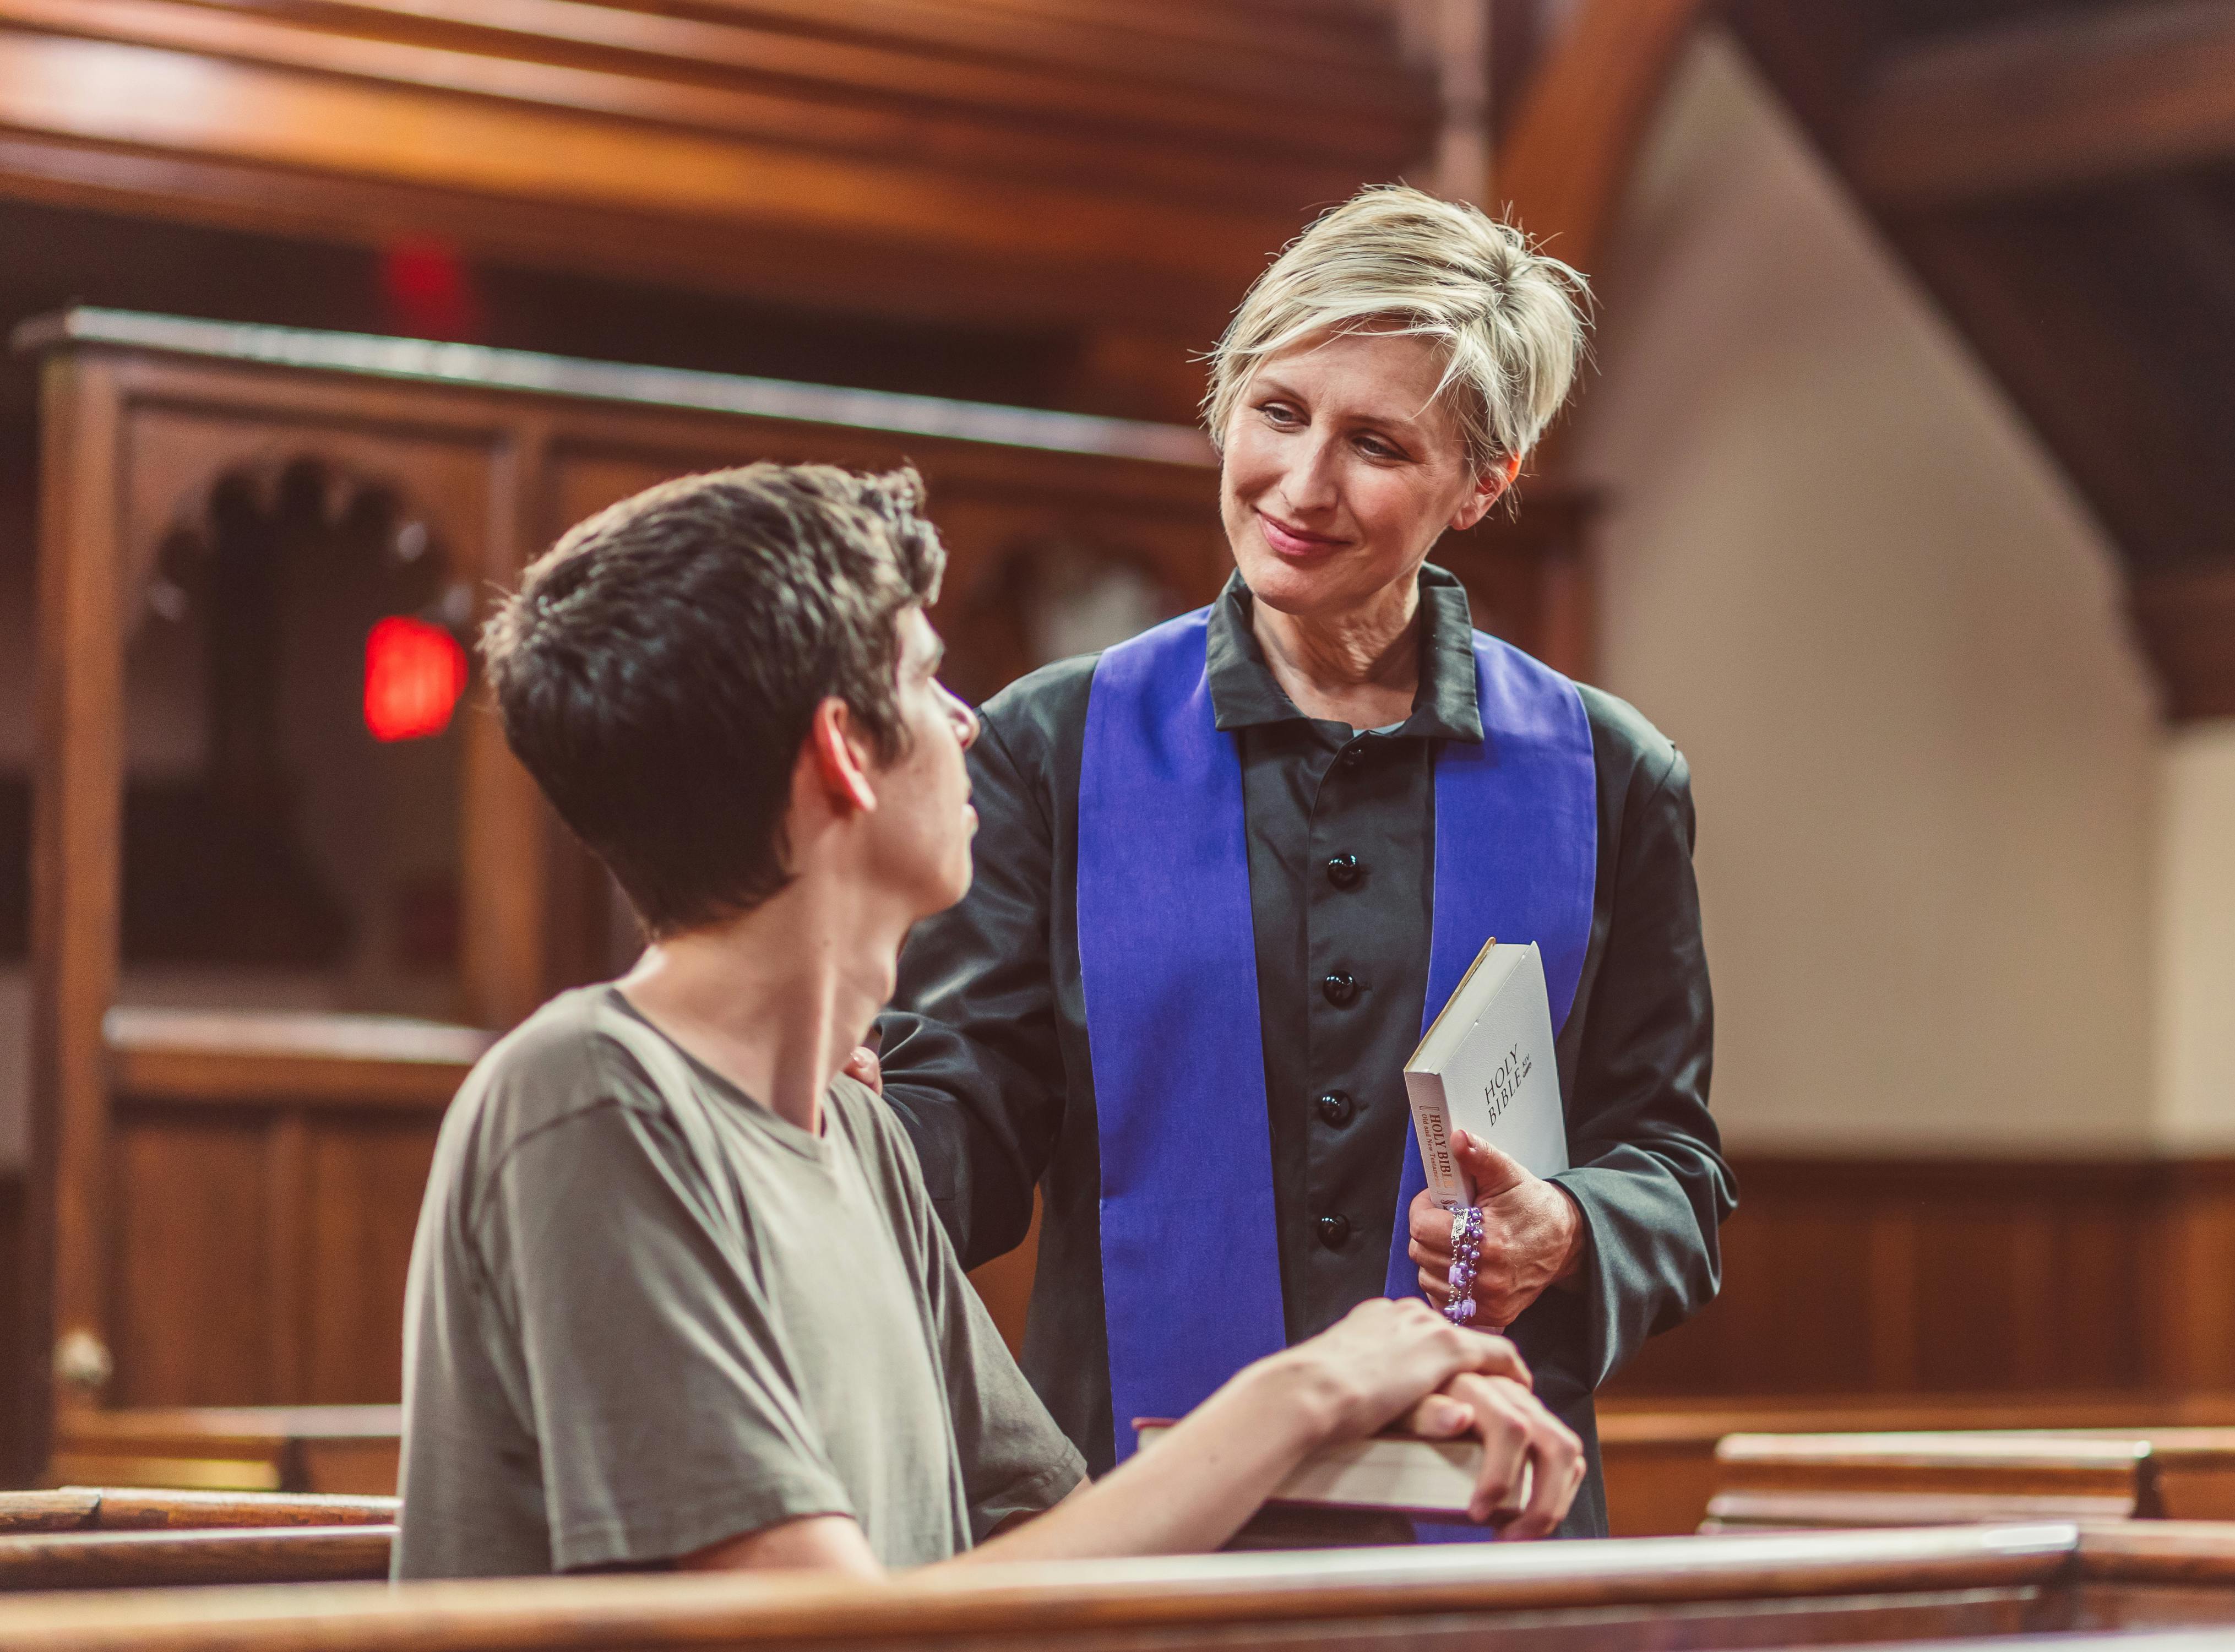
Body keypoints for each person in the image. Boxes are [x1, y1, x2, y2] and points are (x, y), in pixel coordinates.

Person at [393, 463, 1582, 1580]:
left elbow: (1056, 1540)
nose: (968, 724)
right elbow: (824, 1644)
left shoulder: (852, 1135)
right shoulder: (589, 1104)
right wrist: (1307, 1392)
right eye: (923, 679)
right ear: (845, 754)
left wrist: (1366, 1412)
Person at [875, 184, 1735, 1537]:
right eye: (1278, 412)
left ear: (1483, 481)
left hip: (1487, 1516)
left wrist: (1566, 1229)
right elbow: (972, 1113)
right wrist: (828, 1120)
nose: (1303, 485)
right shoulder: (1053, 744)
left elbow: (1669, 1162)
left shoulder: (1609, 777)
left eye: (1379, 444)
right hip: (1141, 1514)